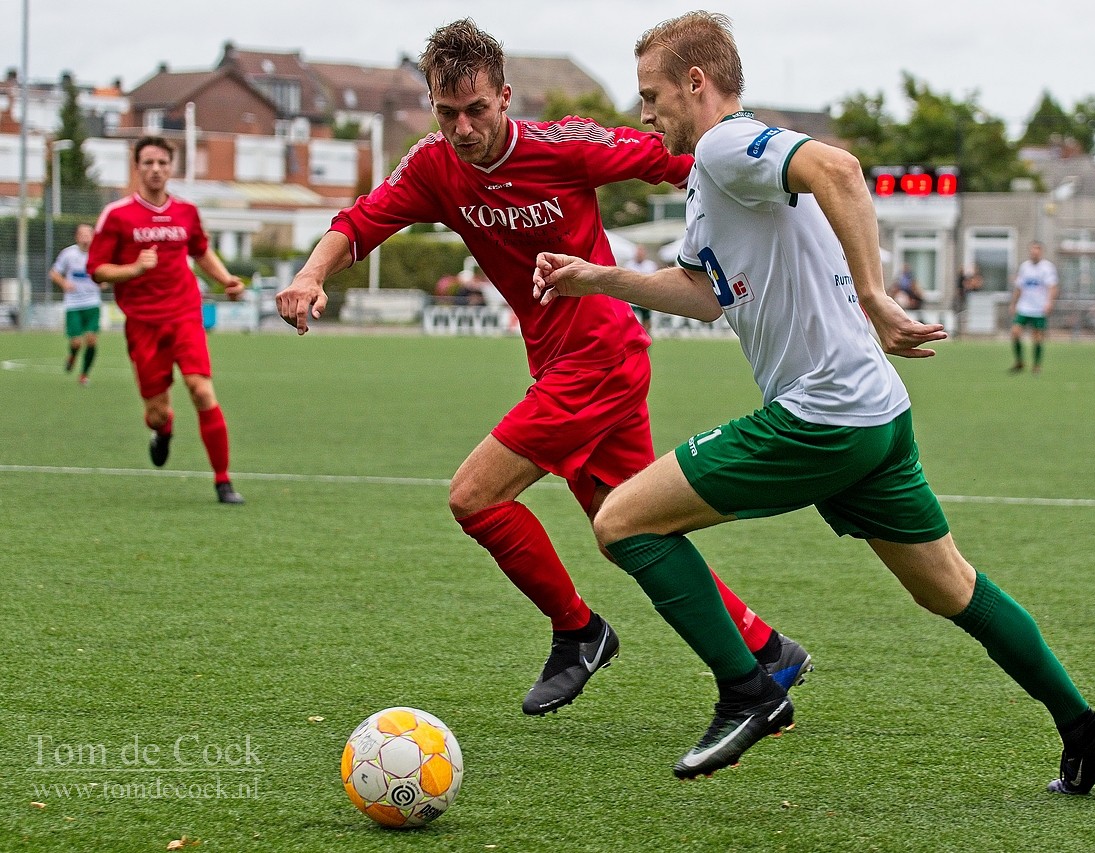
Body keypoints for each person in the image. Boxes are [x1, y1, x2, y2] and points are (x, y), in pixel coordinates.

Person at [532, 9, 1095, 789]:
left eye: (652, 94)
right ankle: (1086, 729)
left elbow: (841, 170)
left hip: (822, 415)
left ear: (696, 83)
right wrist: (596, 276)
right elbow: (707, 294)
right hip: (875, 414)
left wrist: (877, 297)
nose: (644, 113)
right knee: (949, 585)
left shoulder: (723, 143)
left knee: (621, 521)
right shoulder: (714, 174)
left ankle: (750, 688)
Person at [275, 18, 810, 718]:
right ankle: (764, 648)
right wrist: (311, 273)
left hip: (600, 355)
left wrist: (787, 191)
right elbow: (362, 220)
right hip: (566, 361)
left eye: (475, 110)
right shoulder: (435, 166)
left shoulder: (566, 145)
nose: (463, 128)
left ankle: (579, 631)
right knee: (631, 530)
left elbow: (683, 154)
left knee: (474, 496)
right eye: (447, 113)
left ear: (504, 96)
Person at [87, 136, 247, 505]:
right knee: (157, 413)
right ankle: (164, 429)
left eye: (162, 163)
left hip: (184, 314)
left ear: (170, 167)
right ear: (137, 167)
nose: (156, 169)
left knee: (201, 390)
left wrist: (226, 280)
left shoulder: (187, 212)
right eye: (148, 163)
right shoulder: (117, 215)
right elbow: (96, 270)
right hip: (142, 323)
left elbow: (201, 252)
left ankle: (223, 482)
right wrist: (133, 268)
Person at [49, 223, 103, 385]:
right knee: (76, 342)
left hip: (92, 303)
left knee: (92, 340)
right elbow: (54, 273)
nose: (86, 238)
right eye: (83, 235)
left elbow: (106, 272)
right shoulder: (68, 254)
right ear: (77, 237)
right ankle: (72, 355)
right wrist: (64, 283)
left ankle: (84, 374)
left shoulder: (99, 253)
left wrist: (104, 279)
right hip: (73, 304)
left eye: (89, 234)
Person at [1008, 241, 1058, 373]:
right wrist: (1013, 303)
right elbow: (1019, 287)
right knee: (1015, 332)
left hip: (1039, 307)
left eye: (1037, 250)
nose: (1034, 252)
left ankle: (1036, 365)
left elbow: (1052, 287)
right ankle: (1019, 362)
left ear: (1041, 252)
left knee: (1037, 337)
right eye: (1032, 250)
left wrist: (1049, 302)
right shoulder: (1025, 267)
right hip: (1024, 306)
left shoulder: (1047, 267)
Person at [624, 245, 658, 333]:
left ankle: (646, 337)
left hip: (646, 297)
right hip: (632, 298)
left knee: (646, 320)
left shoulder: (650, 265)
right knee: (632, 319)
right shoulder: (629, 265)